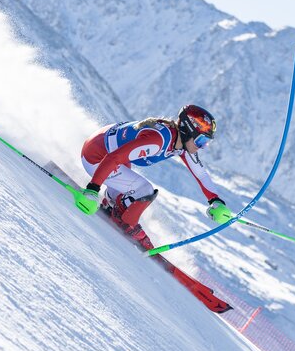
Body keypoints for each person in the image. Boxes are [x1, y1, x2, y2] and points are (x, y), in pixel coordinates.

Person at [76, 104, 233, 249]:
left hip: (106, 151)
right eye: (201, 140)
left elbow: (201, 174)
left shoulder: (181, 144)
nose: (202, 147)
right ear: (187, 130)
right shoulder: (158, 141)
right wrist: (92, 190)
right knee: (144, 190)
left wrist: (215, 201)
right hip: (96, 157)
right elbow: (113, 158)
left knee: (131, 186)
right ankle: (125, 222)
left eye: (206, 142)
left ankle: (112, 202)